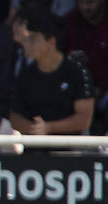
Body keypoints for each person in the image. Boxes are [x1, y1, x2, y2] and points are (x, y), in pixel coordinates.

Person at [9, 8, 94, 136]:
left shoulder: (77, 71)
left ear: (51, 42)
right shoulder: (25, 74)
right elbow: (15, 116)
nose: (27, 44)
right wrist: (35, 128)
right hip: (33, 149)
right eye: (27, 39)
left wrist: (48, 127)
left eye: (33, 39)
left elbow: (83, 119)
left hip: (71, 150)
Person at [64, 0, 108, 98]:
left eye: (89, 2)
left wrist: (100, 88)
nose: (85, 7)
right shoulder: (70, 21)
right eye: (81, 2)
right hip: (75, 86)